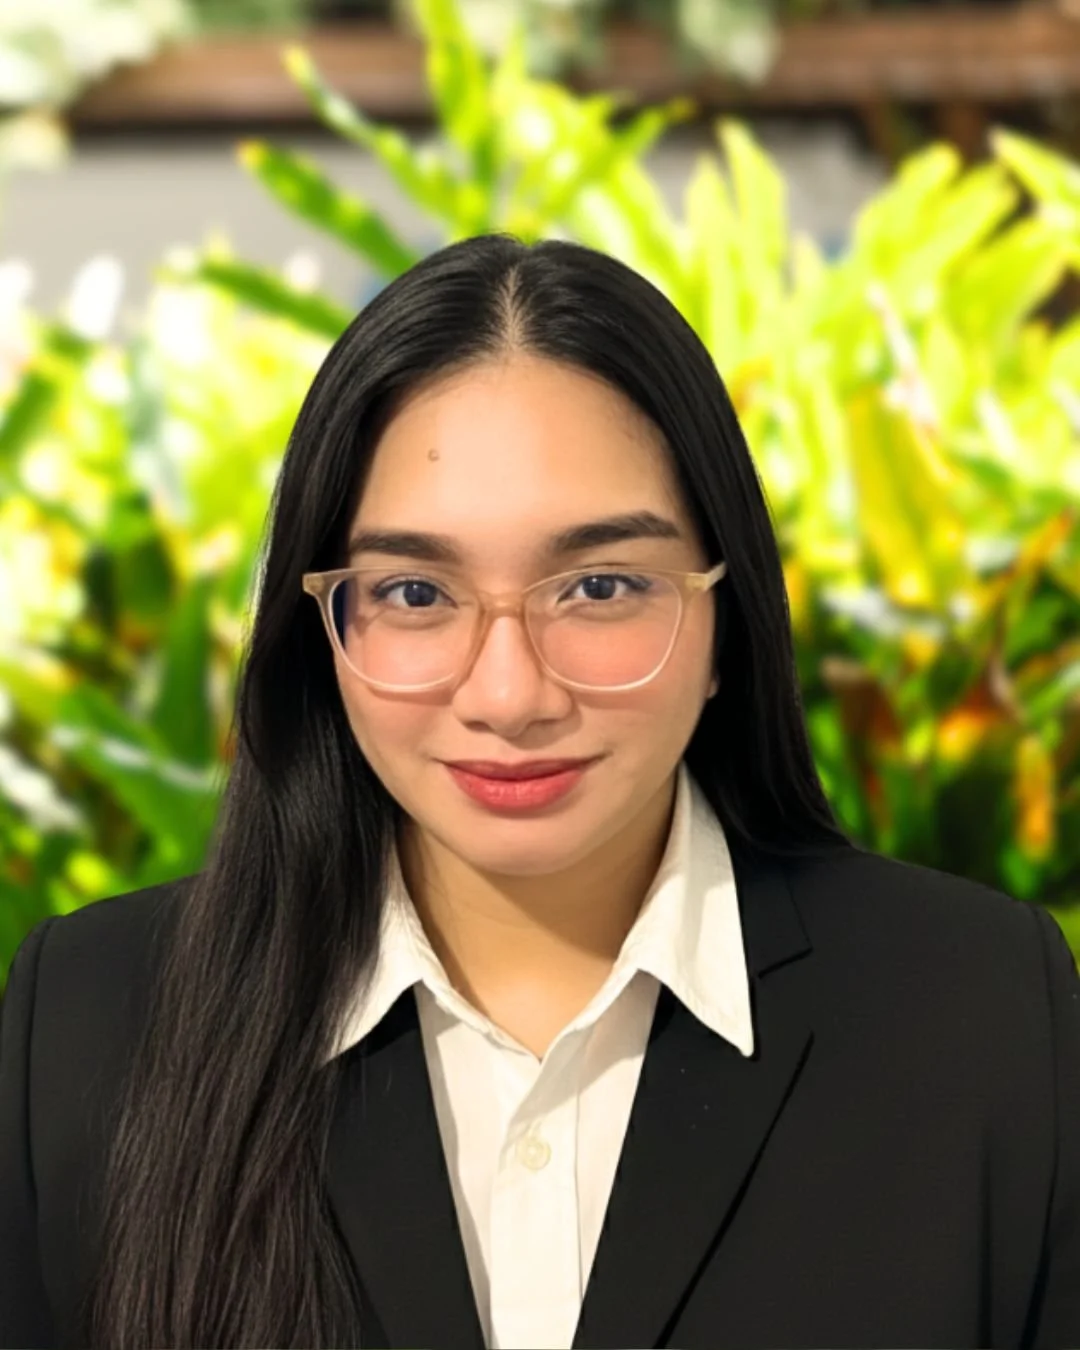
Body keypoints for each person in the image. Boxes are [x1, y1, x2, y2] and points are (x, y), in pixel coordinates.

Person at [0, 233, 1077, 1350]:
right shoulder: (93, 1027)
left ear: (725, 621)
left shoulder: (984, 1020)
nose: (509, 695)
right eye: (416, 592)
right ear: (320, 630)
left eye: (600, 586)